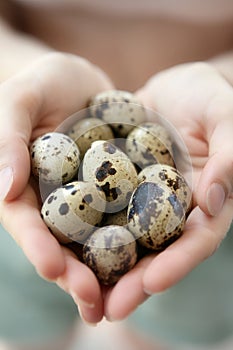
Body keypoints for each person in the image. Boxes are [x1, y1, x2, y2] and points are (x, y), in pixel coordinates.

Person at [0, 0, 232, 348]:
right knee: (29, 323)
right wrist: (24, 72)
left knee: (174, 325)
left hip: (208, 166)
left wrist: (223, 81)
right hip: (34, 164)